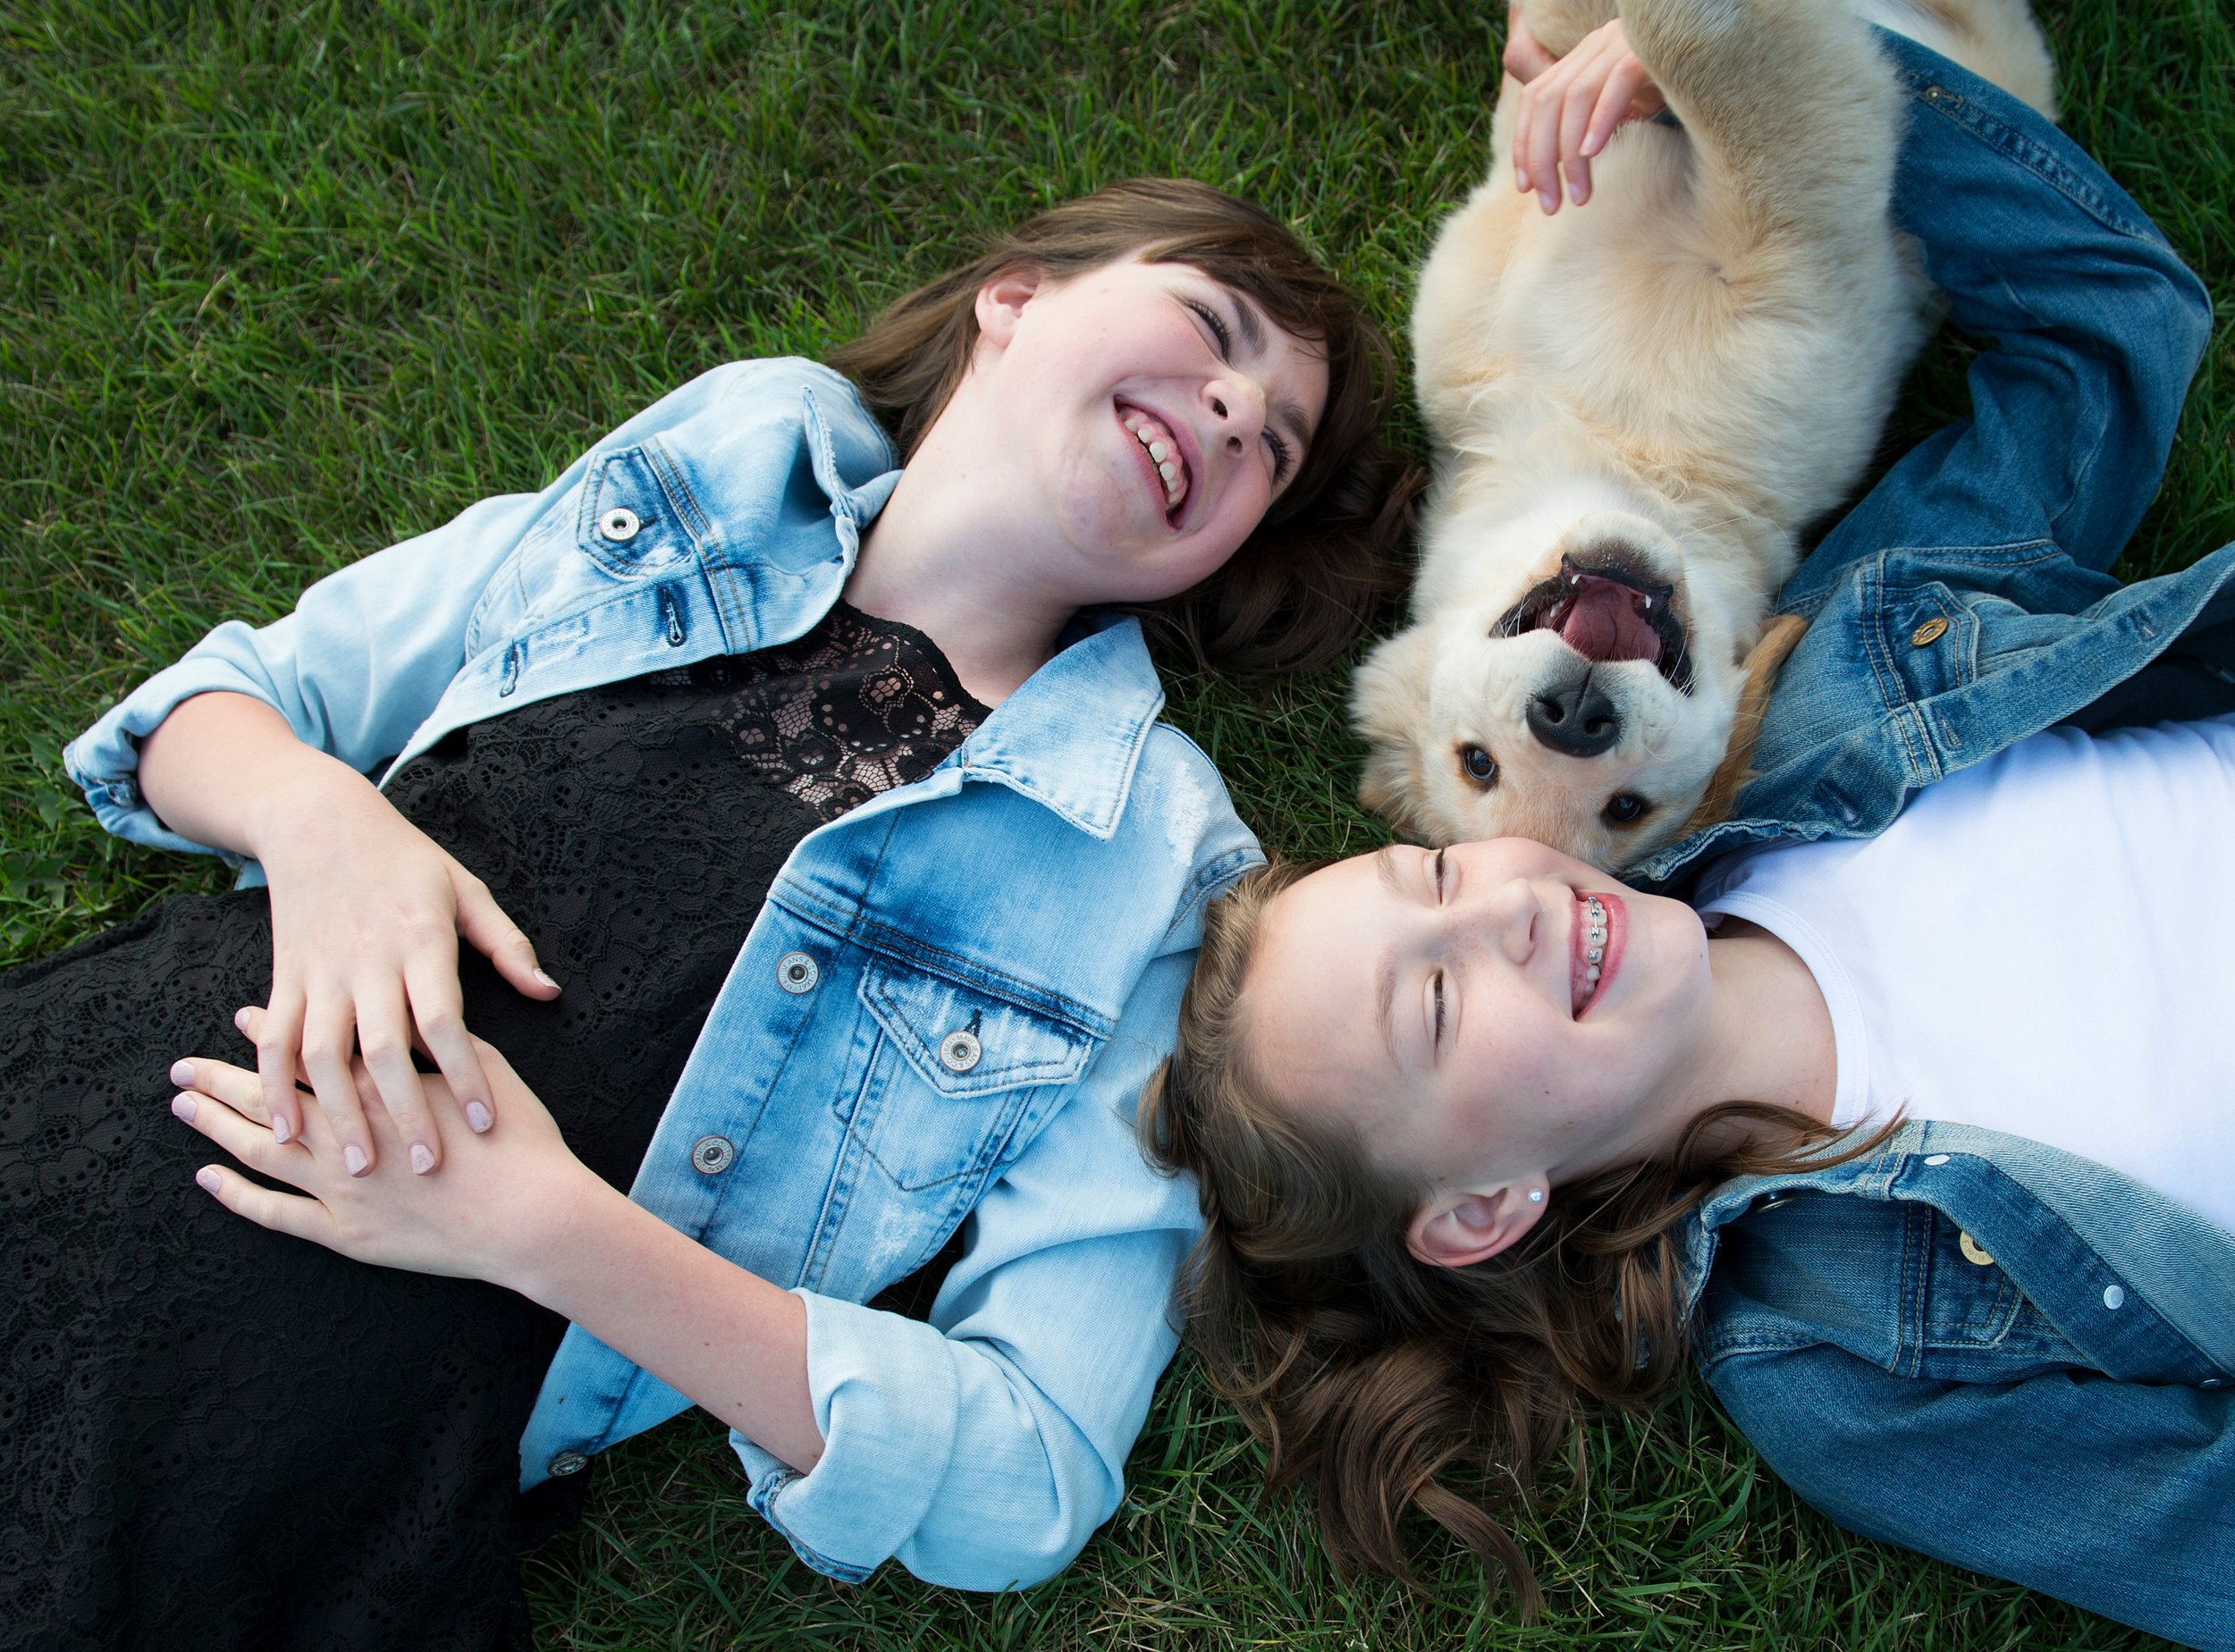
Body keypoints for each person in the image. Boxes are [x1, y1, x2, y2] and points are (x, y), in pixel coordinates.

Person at [1, 178, 1406, 1649]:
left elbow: (1030, 1465)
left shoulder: (1147, 862)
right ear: (1017, 297)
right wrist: (320, 820)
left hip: (267, 1478)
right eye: (1211, 325)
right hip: (75, 1105)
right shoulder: (731, 461)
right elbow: (204, 712)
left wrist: (550, 1235)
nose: (1240, 410)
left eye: (1277, 445)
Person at [1138, 30, 2235, 1652]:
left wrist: (1727, 72)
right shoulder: (1845, 1366)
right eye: (1434, 1005)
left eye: (1437, 876)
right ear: (1483, 1207)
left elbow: (2109, 337)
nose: (1503, 912)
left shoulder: (1812, 698)